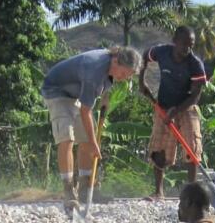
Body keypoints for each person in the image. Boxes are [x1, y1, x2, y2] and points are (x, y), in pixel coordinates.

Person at [41, 46, 142, 211]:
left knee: (87, 139)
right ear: (116, 61)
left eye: (127, 76)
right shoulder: (94, 69)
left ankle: (86, 189)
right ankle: (68, 191)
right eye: (123, 74)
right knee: (67, 137)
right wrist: (95, 144)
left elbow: (107, 82)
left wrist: (105, 96)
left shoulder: (111, 65)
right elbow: (85, 111)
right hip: (56, 91)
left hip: (75, 93)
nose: (123, 78)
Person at [139, 26, 208, 199]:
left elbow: (195, 97)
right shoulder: (161, 52)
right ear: (174, 41)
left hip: (186, 107)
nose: (187, 49)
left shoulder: (195, 64)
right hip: (163, 106)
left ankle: (190, 194)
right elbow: (144, 56)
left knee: (192, 149)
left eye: (191, 45)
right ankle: (158, 192)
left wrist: (176, 111)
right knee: (159, 149)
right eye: (184, 44)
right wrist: (142, 81)